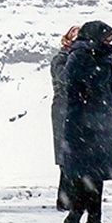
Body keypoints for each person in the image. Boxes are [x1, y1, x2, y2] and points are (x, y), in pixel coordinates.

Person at [60, 21, 112, 223]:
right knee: (82, 175)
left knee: (96, 175)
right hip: (83, 126)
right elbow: (88, 85)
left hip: (100, 124)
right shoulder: (81, 56)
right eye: (106, 38)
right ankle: (73, 219)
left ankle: (94, 221)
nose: (108, 42)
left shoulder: (100, 56)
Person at [50, 26, 82, 211]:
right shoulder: (61, 59)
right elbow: (64, 80)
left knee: (75, 154)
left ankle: (74, 198)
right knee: (66, 155)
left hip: (74, 110)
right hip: (63, 110)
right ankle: (65, 200)